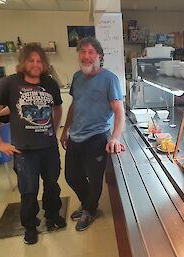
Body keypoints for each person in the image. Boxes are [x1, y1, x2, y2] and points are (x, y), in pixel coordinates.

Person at [0, 43, 66, 245]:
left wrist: (55, 128)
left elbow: (58, 109)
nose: (35, 64)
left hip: (49, 148)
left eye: (39, 61)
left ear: (44, 63)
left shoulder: (50, 84)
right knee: (29, 192)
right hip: (24, 152)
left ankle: (52, 216)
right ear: (23, 62)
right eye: (31, 60)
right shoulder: (8, 84)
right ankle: (30, 226)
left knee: (52, 186)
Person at [60, 37, 125, 231]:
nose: (86, 56)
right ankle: (88, 203)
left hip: (96, 137)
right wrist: (65, 131)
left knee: (95, 179)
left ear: (99, 56)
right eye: (82, 52)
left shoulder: (109, 79)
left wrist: (115, 137)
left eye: (90, 52)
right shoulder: (77, 77)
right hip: (76, 136)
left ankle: (89, 209)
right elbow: (74, 106)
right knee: (71, 176)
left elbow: (118, 110)